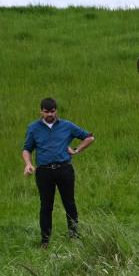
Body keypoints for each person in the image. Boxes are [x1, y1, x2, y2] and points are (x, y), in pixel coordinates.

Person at [22, 97, 95, 248]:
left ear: (56, 110)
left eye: (52, 111)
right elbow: (27, 149)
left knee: (69, 203)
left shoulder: (67, 126)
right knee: (46, 206)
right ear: (41, 111)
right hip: (44, 172)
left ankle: (74, 236)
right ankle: (45, 240)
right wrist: (28, 164)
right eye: (46, 112)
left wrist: (76, 150)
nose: (49, 114)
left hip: (64, 169)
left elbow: (89, 137)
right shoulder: (33, 128)